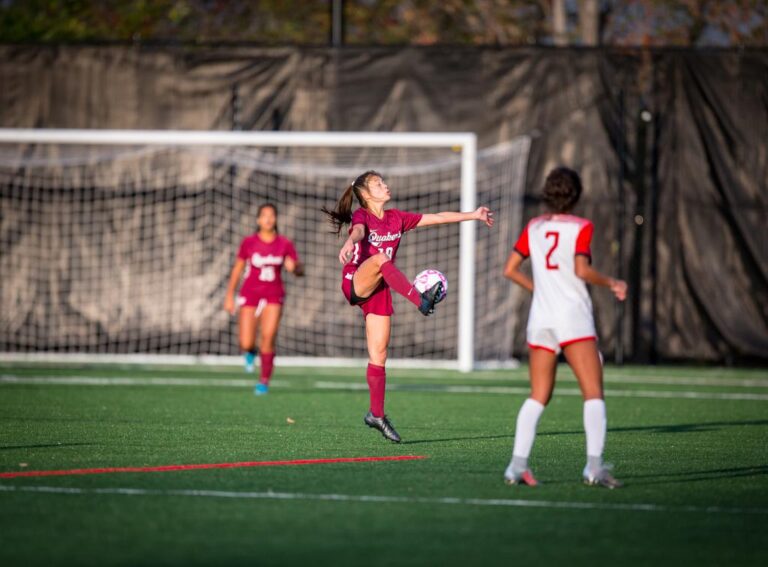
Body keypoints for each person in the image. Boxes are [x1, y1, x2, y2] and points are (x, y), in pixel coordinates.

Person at [322, 171, 494, 443]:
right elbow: (358, 231)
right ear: (366, 194)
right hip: (356, 280)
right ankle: (420, 300)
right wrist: (349, 241)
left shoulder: (396, 218)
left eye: (383, 181)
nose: (385, 185)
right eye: (378, 183)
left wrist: (473, 215)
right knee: (379, 258)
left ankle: (376, 415)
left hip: (379, 289)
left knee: (379, 355)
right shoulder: (362, 216)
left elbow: (436, 218)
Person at [502, 167, 627, 488]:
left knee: (538, 396)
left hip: (541, 318)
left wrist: (539, 289)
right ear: (576, 195)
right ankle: (594, 467)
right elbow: (582, 270)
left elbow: (510, 269)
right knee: (593, 394)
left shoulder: (534, 226)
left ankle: (517, 466)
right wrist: (612, 282)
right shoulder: (582, 227)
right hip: (572, 318)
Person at [224, 203, 303, 395]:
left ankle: (264, 381)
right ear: (258, 220)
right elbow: (238, 269)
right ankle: (250, 352)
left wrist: (295, 268)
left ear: (276, 219)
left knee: (268, 338)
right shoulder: (249, 242)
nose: (268, 219)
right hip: (250, 294)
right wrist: (229, 296)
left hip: (274, 296)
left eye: (271, 215)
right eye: (264, 215)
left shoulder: (284, 244)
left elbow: (299, 270)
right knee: (246, 342)